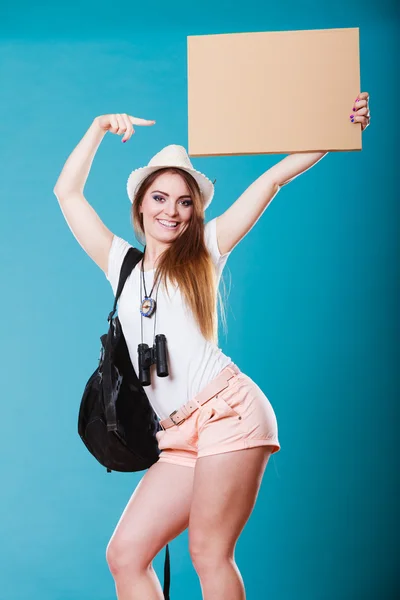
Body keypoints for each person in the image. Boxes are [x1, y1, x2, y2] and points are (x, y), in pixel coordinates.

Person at [53, 93, 370, 600]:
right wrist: (96, 128)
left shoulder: (205, 251)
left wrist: (340, 127)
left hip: (228, 413)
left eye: (184, 201)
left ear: (195, 211)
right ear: (140, 205)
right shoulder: (122, 266)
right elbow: (67, 194)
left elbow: (272, 179)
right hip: (177, 436)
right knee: (126, 555)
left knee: (208, 551)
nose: (172, 212)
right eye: (160, 198)